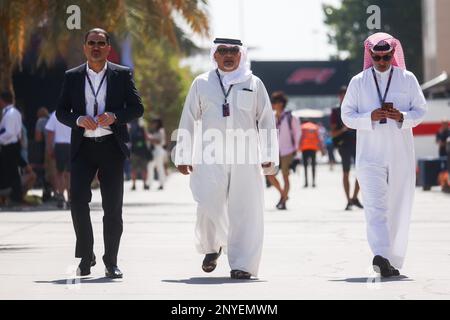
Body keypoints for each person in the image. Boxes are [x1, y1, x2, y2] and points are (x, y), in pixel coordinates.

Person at [175, 38, 278, 279]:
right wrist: (183, 153)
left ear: (241, 54)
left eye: (233, 50)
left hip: (246, 156)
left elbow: (266, 120)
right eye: (222, 51)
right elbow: (188, 118)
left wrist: (268, 154)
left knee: (245, 209)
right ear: (215, 55)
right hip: (209, 154)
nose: (228, 55)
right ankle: (212, 247)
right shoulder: (201, 83)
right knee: (207, 202)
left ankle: (242, 264)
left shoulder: (253, 83)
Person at [56, 28, 144, 278]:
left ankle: (111, 262)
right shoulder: (72, 76)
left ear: (108, 48)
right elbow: (61, 111)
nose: (96, 47)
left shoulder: (122, 74)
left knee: (113, 208)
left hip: (111, 147)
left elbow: (137, 108)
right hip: (83, 147)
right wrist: (78, 119)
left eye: (101, 43)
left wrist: (115, 116)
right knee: (77, 202)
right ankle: (86, 256)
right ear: (85, 47)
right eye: (91, 42)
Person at [341, 32, 427, 277]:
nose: (381, 62)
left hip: (400, 155)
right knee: (375, 206)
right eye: (377, 57)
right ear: (370, 55)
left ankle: (392, 259)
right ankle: (380, 254)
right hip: (370, 156)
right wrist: (369, 117)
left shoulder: (407, 79)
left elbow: (421, 110)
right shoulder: (358, 82)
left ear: (392, 55)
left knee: (399, 205)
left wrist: (402, 117)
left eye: (386, 57)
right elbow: (346, 116)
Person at [330, 86, 363, 210]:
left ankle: (354, 197)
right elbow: (333, 133)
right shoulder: (335, 112)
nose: (344, 98)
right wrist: (344, 129)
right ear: (339, 97)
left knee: (360, 172)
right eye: (342, 95)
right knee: (346, 172)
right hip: (343, 144)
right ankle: (348, 199)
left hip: (357, 143)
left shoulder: (356, 109)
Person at [267, 91, 300, 210]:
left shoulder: (291, 117)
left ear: (281, 103)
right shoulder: (271, 117)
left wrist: (296, 152)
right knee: (270, 175)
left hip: (288, 151)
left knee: (286, 177)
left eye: (274, 102)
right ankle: (283, 195)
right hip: (274, 151)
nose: (272, 104)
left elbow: (297, 134)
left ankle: (283, 201)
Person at [0, 91, 23, 204]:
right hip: (14, 145)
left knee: (12, 173)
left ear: (2, 100)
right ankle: (15, 196)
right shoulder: (15, 112)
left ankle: (15, 197)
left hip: (9, 146)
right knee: (13, 172)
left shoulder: (10, 114)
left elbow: (9, 132)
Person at [45, 111, 72, 209]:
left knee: (59, 172)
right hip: (72, 144)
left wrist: (49, 147)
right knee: (70, 173)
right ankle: (70, 197)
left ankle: (60, 195)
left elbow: (50, 132)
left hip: (60, 145)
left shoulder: (55, 114)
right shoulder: (76, 112)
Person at [34, 107, 55, 202]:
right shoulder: (55, 117)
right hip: (64, 147)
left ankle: (49, 192)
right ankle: (59, 193)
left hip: (49, 149)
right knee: (61, 173)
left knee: (49, 172)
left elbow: (38, 138)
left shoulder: (41, 121)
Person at [299, 119, 323, 188]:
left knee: (305, 166)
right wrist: (321, 149)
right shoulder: (315, 127)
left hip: (304, 148)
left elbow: (300, 138)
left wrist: (298, 148)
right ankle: (313, 183)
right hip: (313, 148)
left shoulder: (302, 127)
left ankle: (306, 183)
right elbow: (319, 138)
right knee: (313, 166)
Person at [129, 119, 151, 190]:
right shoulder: (142, 129)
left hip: (134, 152)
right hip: (142, 152)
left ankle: (134, 185)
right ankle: (144, 184)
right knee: (144, 169)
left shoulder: (131, 129)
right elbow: (146, 138)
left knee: (134, 169)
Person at [146, 118, 166, 190]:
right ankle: (149, 183)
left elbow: (159, 141)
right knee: (150, 166)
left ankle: (161, 184)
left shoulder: (161, 131)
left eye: (155, 123)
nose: (154, 124)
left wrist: (150, 139)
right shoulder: (155, 131)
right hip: (154, 151)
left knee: (159, 167)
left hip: (159, 150)